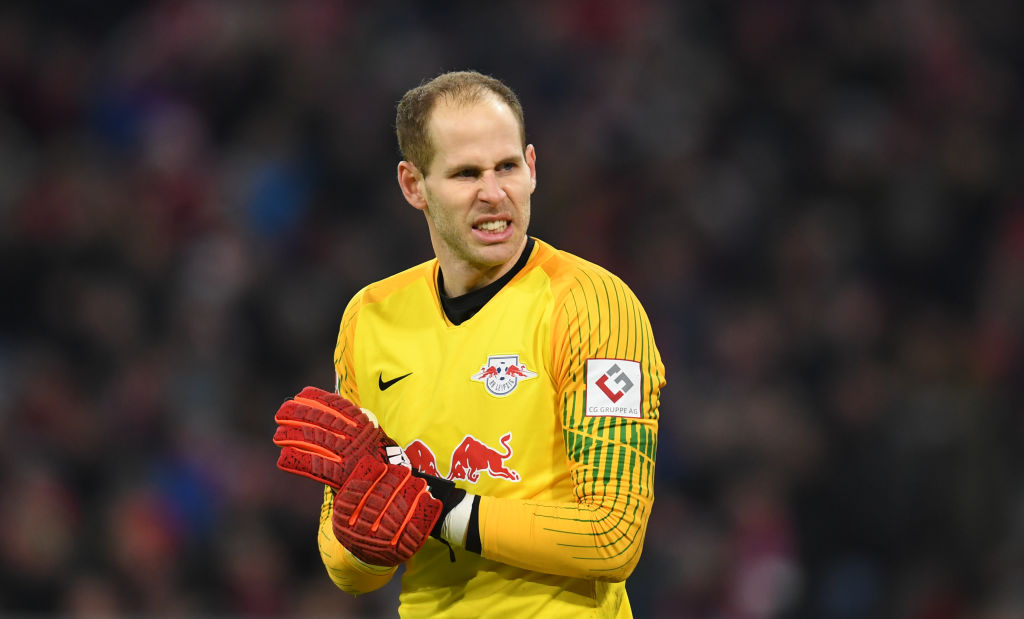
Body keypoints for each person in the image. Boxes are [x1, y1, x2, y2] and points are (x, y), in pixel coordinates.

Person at [299, 70, 665, 617]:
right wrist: (364, 533)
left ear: (532, 168)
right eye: (466, 173)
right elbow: (348, 573)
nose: (494, 194)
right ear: (413, 185)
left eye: (507, 167)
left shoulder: (594, 306)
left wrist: (436, 508)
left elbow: (612, 538)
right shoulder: (369, 319)